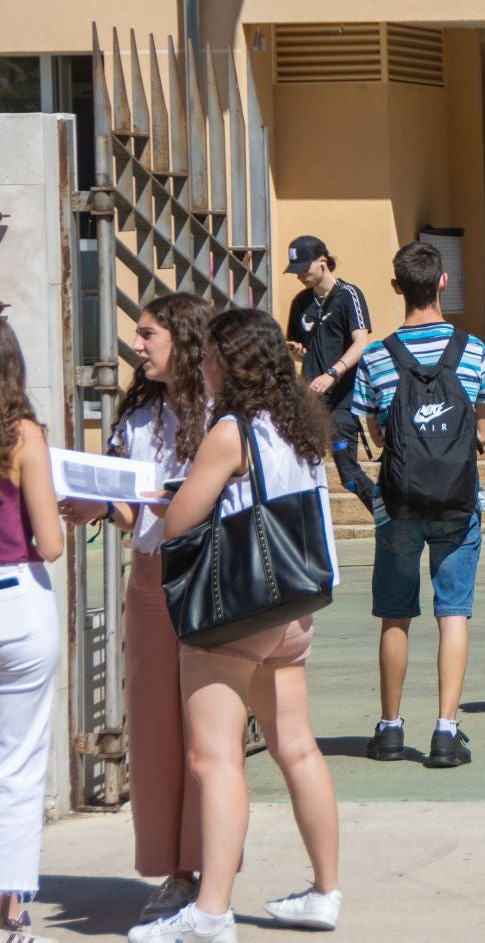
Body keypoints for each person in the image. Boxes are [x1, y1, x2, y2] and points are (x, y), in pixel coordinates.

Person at [138, 308, 344, 943]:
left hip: (237, 611)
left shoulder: (231, 430)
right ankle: (324, 891)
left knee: (213, 757)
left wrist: (164, 498)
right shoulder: (301, 425)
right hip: (293, 606)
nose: (201, 365)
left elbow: (179, 525)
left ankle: (211, 911)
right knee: (298, 747)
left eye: (208, 357)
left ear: (231, 363)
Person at [60, 294, 212, 920]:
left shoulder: (218, 408)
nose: (138, 345)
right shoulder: (140, 413)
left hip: (207, 579)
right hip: (150, 580)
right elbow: (130, 509)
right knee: (154, 733)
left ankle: (209, 871)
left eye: (148, 334)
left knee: (209, 733)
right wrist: (98, 505)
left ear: (181, 337)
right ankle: (176, 873)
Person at [352, 241, 485, 769]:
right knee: (452, 612)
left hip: (397, 504)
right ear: (443, 283)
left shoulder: (376, 356)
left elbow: (374, 427)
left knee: (396, 615)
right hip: (459, 502)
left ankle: (390, 729)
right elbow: (483, 422)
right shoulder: (474, 350)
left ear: (397, 287)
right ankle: (445, 730)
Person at [0, 316, 64, 938]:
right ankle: (12, 907)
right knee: (18, 765)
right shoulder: (23, 436)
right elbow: (49, 543)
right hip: (16, 598)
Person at [283, 236, 382, 523]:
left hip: (342, 399)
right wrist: (296, 351)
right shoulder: (300, 302)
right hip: (309, 399)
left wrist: (333, 373)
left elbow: (361, 343)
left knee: (349, 475)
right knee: (297, 471)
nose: (300, 275)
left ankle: (388, 518)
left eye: (304, 268)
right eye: (296, 270)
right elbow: (300, 348)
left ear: (322, 262)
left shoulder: (348, 295)